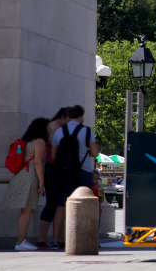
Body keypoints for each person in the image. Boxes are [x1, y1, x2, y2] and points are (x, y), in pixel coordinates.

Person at [51, 105, 99, 249]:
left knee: (60, 206)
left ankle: (54, 240)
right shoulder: (86, 131)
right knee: (85, 205)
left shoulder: (59, 132)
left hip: (64, 173)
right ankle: (85, 238)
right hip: (83, 172)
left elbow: (53, 156)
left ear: (69, 116)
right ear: (81, 117)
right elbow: (95, 153)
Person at [3, 117, 49, 250]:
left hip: (22, 175)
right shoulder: (40, 141)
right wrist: (42, 182)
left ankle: (22, 241)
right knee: (27, 210)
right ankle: (21, 242)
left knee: (25, 210)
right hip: (31, 177)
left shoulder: (28, 141)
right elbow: (38, 162)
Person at [36, 108, 69, 249]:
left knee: (61, 204)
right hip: (53, 167)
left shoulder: (61, 126)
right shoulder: (55, 126)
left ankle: (60, 238)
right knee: (52, 204)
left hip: (59, 168)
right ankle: (42, 238)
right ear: (63, 117)